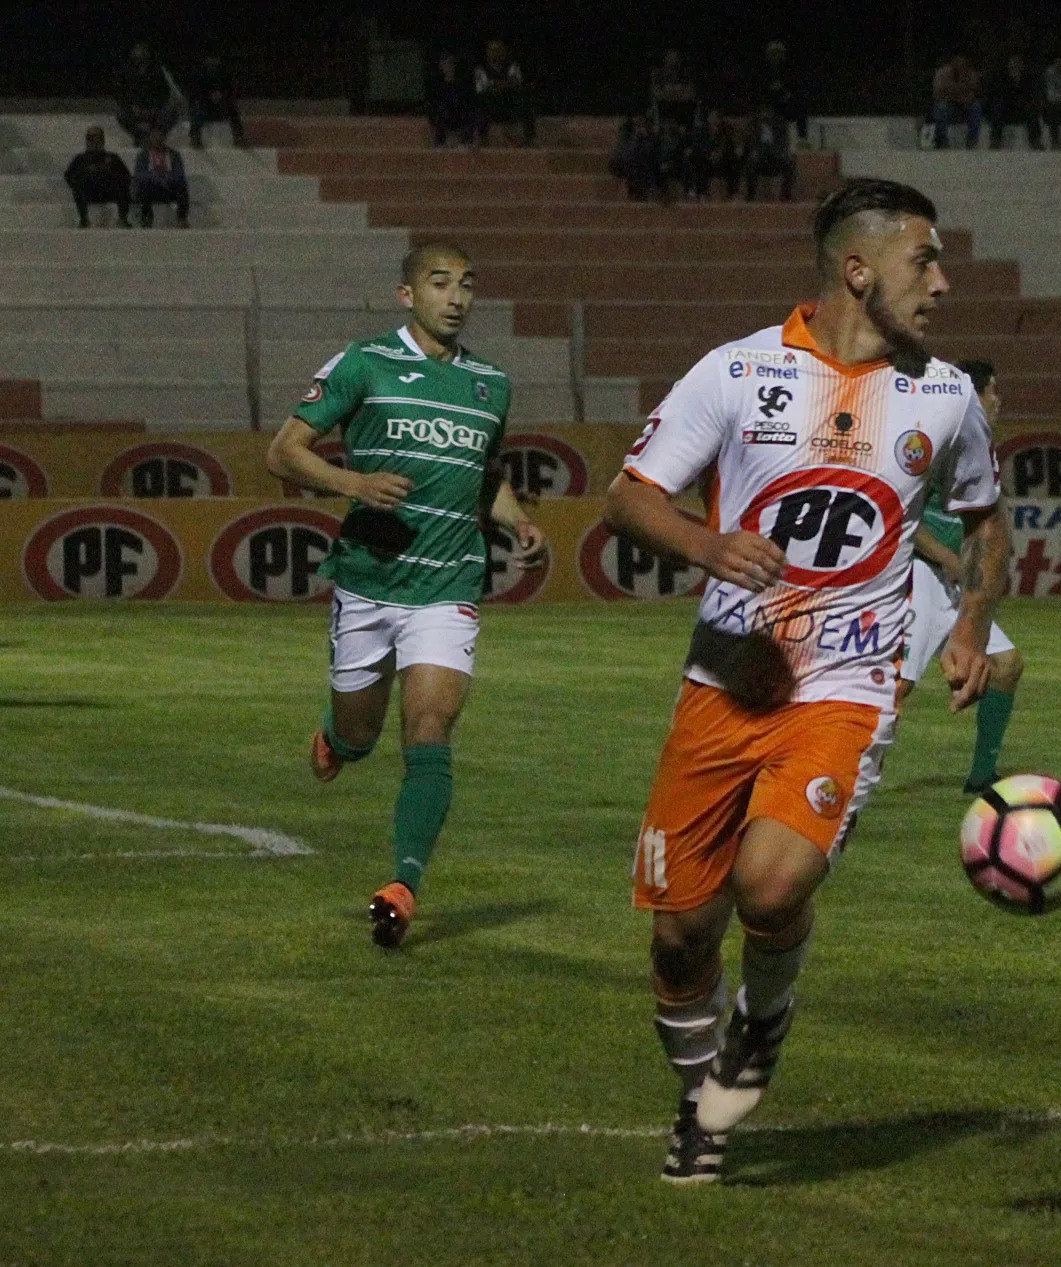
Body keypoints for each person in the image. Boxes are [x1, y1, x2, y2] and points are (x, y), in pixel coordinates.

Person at [601, 178, 1009, 1184]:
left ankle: (766, 1012)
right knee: (678, 936)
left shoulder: (945, 394)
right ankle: (703, 1102)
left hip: (849, 682)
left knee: (772, 884)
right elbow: (626, 498)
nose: (944, 283)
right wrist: (707, 544)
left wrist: (970, 625)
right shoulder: (737, 373)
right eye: (926, 260)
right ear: (857, 270)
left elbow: (988, 520)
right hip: (727, 679)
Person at [264, 243, 547, 949]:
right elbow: (283, 451)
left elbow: (483, 474)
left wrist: (516, 520)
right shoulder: (363, 362)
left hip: (448, 582)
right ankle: (337, 734)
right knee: (360, 737)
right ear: (406, 295)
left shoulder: (491, 383)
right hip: (368, 581)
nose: (456, 297)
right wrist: (354, 484)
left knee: (429, 730)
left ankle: (403, 885)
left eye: (467, 284)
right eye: (439, 282)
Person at [896, 358, 1024, 792]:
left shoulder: (978, 444)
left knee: (1005, 666)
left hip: (950, 582)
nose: (998, 401)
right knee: (895, 687)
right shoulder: (938, 442)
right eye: (993, 391)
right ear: (976, 393)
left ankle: (982, 778)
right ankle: (832, 774)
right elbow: (905, 517)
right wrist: (952, 560)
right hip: (919, 576)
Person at [63, 126, 131, 228]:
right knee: (78, 185)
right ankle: (84, 219)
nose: (94, 142)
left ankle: (123, 219)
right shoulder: (80, 159)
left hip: (109, 191)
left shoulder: (112, 158)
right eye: (91, 138)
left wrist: (108, 172)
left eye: (98, 138)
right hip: (89, 192)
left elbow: (126, 176)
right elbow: (69, 176)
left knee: (123, 188)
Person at [472, 40, 535, 147]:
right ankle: (482, 139)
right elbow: (481, 89)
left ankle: (530, 139)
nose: (495, 53)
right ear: (487, 52)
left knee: (525, 100)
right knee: (482, 101)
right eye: (492, 50)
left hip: (509, 106)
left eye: (498, 50)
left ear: (504, 51)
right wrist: (504, 84)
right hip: (493, 107)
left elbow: (516, 83)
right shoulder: (480, 69)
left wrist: (494, 85)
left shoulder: (512, 65)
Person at [114, 42, 178, 144]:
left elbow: (164, 93)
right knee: (120, 113)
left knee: (172, 112)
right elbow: (120, 94)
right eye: (137, 57)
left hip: (154, 110)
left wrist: (153, 108)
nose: (140, 60)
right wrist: (132, 106)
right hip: (135, 110)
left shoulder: (157, 71)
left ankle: (157, 136)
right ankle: (140, 136)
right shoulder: (126, 72)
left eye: (143, 56)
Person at [132, 127, 189, 228]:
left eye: (160, 137)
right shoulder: (143, 155)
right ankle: (146, 217)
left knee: (182, 188)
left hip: (169, 187)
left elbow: (180, 174)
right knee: (142, 187)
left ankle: (181, 218)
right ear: (150, 139)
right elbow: (139, 174)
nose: (158, 140)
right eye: (155, 137)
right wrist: (155, 178)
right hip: (151, 187)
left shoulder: (174, 155)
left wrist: (167, 177)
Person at [756, 41, 808, 147]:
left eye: (779, 53)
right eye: (774, 53)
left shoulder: (788, 71)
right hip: (769, 107)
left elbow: (795, 89)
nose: (776, 57)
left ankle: (802, 138)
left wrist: (787, 94)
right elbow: (760, 92)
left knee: (801, 104)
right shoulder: (763, 72)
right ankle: (765, 142)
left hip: (785, 106)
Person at [987, 53, 1043, 149]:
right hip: (1007, 110)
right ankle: (995, 140)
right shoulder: (1002, 78)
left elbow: (1033, 95)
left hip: (1023, 110)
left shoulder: (1029, 79)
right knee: (997, 110)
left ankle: (1035, 141)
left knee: (1032, 113)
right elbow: (998, 95)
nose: (1015, 67)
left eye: (1017, 64)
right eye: (1013, 64)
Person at [187, 54, 243, 148]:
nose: (213, 62)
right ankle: (195, 136)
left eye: (215, 59)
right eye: (211, 59)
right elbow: (195, 92)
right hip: (205, 104)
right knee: (197, 108)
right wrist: (209, 96)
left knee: (231, 107)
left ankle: (238, 135)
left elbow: (231, 90)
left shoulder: (225, 73)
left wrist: (221, 95)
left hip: (220, 104)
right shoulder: (200, 73)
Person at [931, 54, 983, 149]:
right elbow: (938, 95)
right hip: (948, 107)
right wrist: (958, 94)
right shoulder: (942, 73)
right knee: (940, 107)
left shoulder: (971, 75)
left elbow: (972, 96)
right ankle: (942, 141)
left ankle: (972, 141)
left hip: (964, 108)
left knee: (976, 107)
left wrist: (954, 93)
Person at [425, 52, 473, 148]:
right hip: (443, 121)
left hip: (460, 119)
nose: (448, 67)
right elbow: (433, 106)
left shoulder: (462, 86)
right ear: (441, 66)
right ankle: (440, 142)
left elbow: (466, 104)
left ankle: (465, 141)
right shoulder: (437, 86)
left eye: (450, 63)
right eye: (445, 64)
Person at [611, 112, 660, 200]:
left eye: (641, 124)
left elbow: (653, 152)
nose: (639, 127)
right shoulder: (626, 134)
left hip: (645, 166)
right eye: (637, 124)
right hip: (630, 165)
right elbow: (622, 152)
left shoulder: (651, 136)